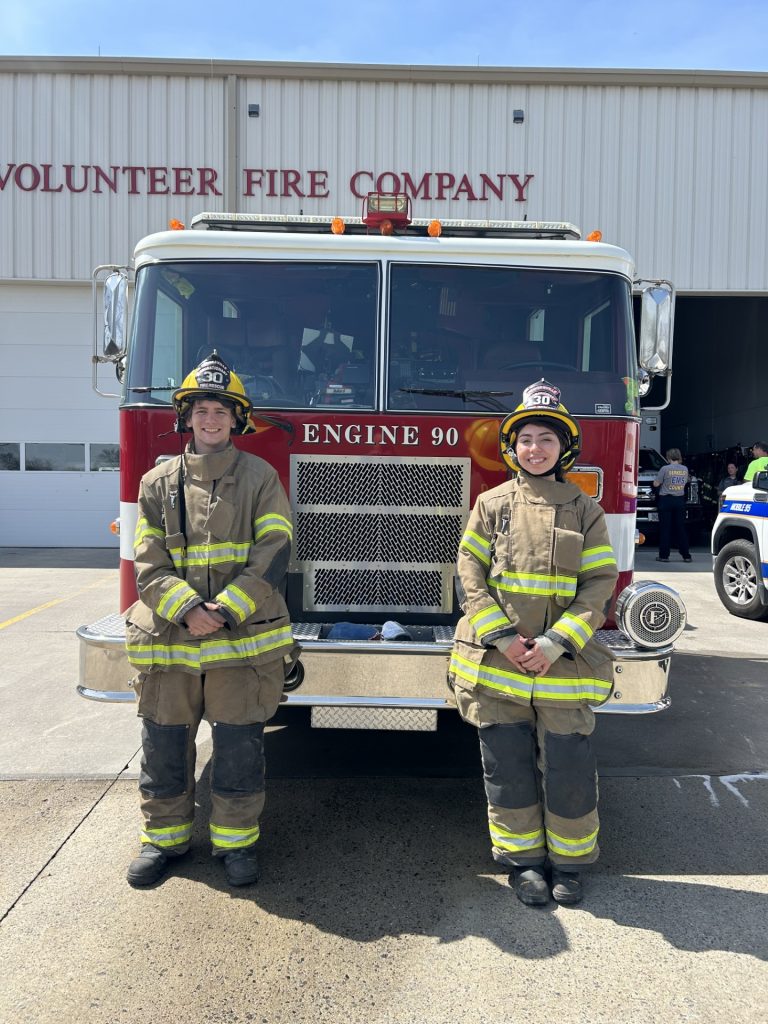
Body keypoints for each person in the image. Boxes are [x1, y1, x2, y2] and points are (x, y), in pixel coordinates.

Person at [124, 352, 296, 888]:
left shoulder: (260, 478)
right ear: (187, 417)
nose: (211, 419)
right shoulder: (157, 483)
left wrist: (224, 609)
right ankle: (164, 841)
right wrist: (188, 609)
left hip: (239, 639)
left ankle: (236, 845)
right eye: (201, 409)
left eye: (222, 410)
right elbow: (147, 562)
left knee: (239, 747)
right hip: (172, 640)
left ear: (236, 419)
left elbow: (275, 546)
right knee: (165, 744)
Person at [449, 380, 618, 907]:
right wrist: (501, 638)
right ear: (512, 448)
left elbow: (598, 584)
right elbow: (469, 573)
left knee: (569, 767)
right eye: (526, 439)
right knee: (508, 767)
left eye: (547, 438)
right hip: (500, 666)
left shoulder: (584, 508)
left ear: (562, 448)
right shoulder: (491, 504)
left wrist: (554, 643)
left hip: (561, 665)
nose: (535, 449)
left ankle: (569, 865)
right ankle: (522, 864)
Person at [653, 448, 691, 562]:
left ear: (668, 457)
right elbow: (686, 481)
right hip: (679, 501)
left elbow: (656, 483)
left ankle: (664, 556)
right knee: (680, 528)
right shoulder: (685, 469)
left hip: (666, 500)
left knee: (665, 529)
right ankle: (686, 555)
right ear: (679, 456)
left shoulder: (665, 468)